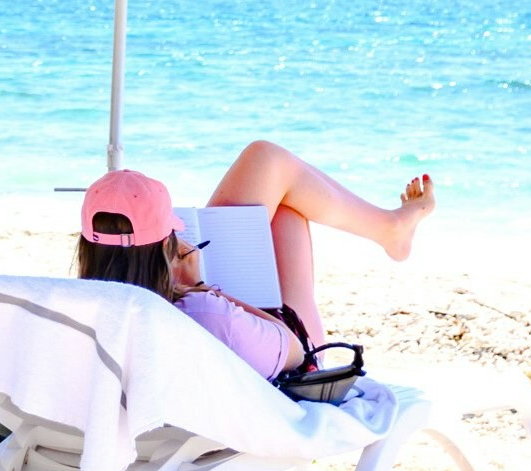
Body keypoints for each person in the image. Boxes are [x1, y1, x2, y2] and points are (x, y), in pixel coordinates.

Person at [75, 141, 435, 380]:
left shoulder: (77, 315)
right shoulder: (204, 313)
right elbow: (294, 349)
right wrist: (199, 287)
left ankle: (391, 228)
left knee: (276, 187)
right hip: (288, 365)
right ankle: (391, 229)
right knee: (284, 201)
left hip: (182, 384)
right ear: (162, 249)